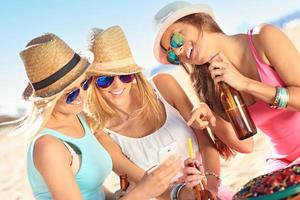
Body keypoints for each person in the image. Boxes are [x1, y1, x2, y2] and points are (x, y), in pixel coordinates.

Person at [0, 33, 181, 200]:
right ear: (48, 99)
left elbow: (92, 190)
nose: (81, 96)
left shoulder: (80, 119)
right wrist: (143, 191)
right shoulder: (49, 147)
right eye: (70, 94)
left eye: (85, 84)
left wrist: (116, 196)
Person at [84, 25, 233, 199]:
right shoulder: (101, 133)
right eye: (104, 79)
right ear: (92, 82)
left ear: (135, 74)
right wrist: (186, 194)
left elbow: (206, 144)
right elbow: (147, 185)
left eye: (125, 75)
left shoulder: (164, 85)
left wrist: (211, 188)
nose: (117, 85)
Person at [153, 1, 300, 173]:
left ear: (197, 19)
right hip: (285, 160)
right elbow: (246, 145)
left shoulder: (263, 37)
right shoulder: (214, 85)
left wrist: (246, 84)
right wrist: (212, 117)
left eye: (176, 39)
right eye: (172, 55)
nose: (177, 52)